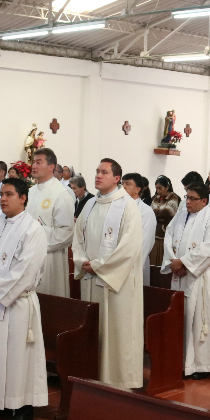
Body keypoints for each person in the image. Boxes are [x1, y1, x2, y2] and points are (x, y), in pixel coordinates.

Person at [0, 179, 50, 420]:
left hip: (17, 303)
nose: (3, 199)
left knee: (18, 357)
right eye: (2, 194)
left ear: (23, 198)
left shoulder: (33, 229)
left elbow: (27, 269)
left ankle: (22, 407)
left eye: (9, 194)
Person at [70, 158, 146, 390]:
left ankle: (119, 381)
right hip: (91, 279)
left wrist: (100, 265)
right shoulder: (91, 204)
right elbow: (78, 237)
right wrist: (83, 261)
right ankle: (94, 378)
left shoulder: (128, 206)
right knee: (95, 330)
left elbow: (130, 247)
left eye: (104, 172)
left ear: (116, 178)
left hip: (117, 284)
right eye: (96, 171)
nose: (98, 176)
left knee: (117, 332)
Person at [163, 180, 210, 379]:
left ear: (204, 200)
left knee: (200, 321)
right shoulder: (180, 216)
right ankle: (182, 362)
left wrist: (185, 263)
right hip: (180, 276)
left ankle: (201, 365)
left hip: (202, 276)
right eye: (186, 197)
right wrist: (174, 262)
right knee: (181, 318)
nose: (188, 202)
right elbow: (168, 238)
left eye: (192, 198)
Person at [25, 149, 78, 298]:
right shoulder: (31, 192)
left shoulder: (62, 194)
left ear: (51, 167)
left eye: (38, 162)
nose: (34, 166)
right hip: (27, 255)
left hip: (50, 258)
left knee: (48, 299)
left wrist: (36, 235)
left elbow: (67, 233)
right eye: (33, 162)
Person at [121, 174, 159, 283]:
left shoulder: (146, 211)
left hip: (134, 265)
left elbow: (145, 243)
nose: (123, 187)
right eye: (122, 183)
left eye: (127, 184)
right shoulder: (116, 208)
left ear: (137, 189)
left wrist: (129, 267)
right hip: (115, 264)